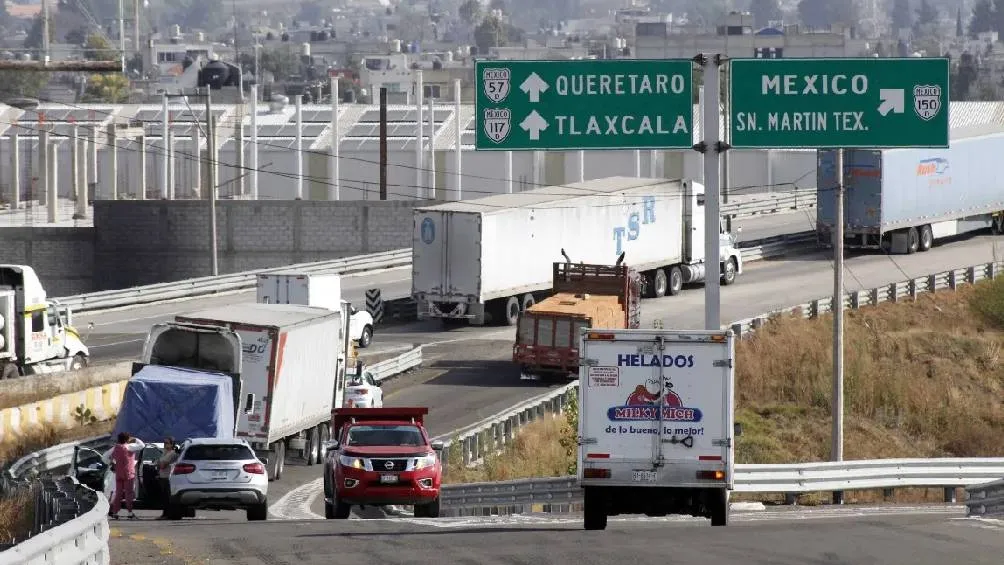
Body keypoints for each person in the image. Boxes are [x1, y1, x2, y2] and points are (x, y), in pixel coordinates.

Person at [107, 432, 145, 520]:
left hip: (118, 473)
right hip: (128, 473)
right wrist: (134, 439)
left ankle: (115, 512)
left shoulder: (115, 448)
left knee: (118, 493)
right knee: (129, 494)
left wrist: (111, 464)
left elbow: (107, 457)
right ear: (127, 439)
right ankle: (130, 513)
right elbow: (142, 445)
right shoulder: (129, 447)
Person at [156, 438, 179, 519]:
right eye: (164, 442)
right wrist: (160, 464)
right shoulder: (165, 453)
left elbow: (162, 465)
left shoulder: (172, 454)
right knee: (164, 497)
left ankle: (167, 514)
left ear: (172, 444)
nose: (165, 444)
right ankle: (165, 514)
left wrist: (160, 464)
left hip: (168, 477)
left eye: (167, 443)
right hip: (162, 476)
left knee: (167, 497)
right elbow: (159, 463)